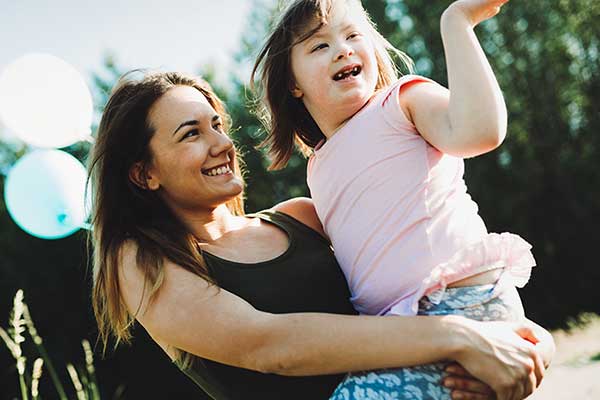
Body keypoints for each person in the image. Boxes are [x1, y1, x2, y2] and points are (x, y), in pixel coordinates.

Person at [88, 71, 552, 400]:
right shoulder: (142, 262)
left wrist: (526, 345)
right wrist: (459, 338)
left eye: (218, 125)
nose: (222, 144)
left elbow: (424, 278)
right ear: (144, 173)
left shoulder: (303, 217)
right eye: (191, 134)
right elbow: (269, 346)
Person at [251, 0, 548, 398]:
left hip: (460, 305)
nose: (343, 48)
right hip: (403, 333)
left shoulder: (400, 102)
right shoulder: (317, 168)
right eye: (319, 46)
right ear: (293, 84)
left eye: (354, 35)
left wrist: (456, 22)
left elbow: (480, 130)